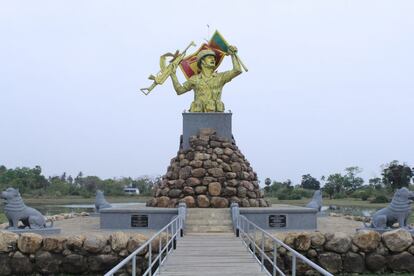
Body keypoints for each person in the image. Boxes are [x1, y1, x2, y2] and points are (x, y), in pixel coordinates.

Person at [169, 45, 242, 112]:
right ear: (202, 61)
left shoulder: (220, 77)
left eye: (213, 58)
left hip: (216, 115)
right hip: (198, 116)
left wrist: (233, 55)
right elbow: (180, 90)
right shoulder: (194, 79)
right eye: (209, 58)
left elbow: (237, 70)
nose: (213, 59)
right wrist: (173, 75)